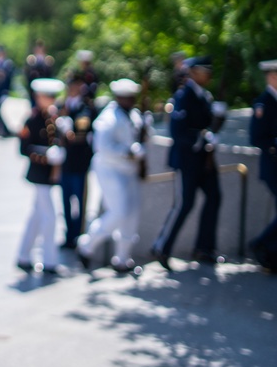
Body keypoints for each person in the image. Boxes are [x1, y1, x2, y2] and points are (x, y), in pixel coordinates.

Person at [152, 56, 226, 270]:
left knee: (214, 196)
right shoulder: (183, 96)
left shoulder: (205, 96)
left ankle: (204, 248)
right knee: (185, 203)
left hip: (205, 159)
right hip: (187, 159)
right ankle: (162, 247)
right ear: (193, 72)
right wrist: (203, 136)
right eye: (204, 70)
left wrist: (218, 119)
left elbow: (210, 125)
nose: (209, 75)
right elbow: (178, 132)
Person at [77, 79, 150, 273]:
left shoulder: (134, 115)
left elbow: (140, 136)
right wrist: (128, 152)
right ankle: (87, 245)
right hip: (111, 170)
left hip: (130, 170)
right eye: (127, 97)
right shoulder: (108, 119)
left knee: (132, 212)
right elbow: (102, 147)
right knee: (119, 212)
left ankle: (123, 259)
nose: (130, 100)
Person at [16, 78, 66, 274]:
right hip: (38, 173)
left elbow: (58, 140)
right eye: (48, 97)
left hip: (49, 174)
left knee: (37, 216)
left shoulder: (54, 118)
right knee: (49, 217)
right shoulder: (32, 119)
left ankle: (24, 255)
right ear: (38, 97)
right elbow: (23, 148)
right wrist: (45, 154)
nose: (51, 100)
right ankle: (50, 261)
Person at [57, 75, 96, 249]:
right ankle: (68, 235)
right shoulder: (63, 105)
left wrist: (68, 127)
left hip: (79, 160)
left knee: (79, 200)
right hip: (65, 161)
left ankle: (78, 235)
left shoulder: (84, 107)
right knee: (65, 200)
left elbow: (81, 131)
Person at [248, 59, 277, 271]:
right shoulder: (263, 103)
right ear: (272, 76)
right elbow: (256, 138)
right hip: (273, 165)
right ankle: (261, 244)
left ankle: (270, 254)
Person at [24, 40, 54, 107]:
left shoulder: (47, 61)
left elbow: (49, 74)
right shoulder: (31, 60)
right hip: (34, 88)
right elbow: (27, 74)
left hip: (44, 87)